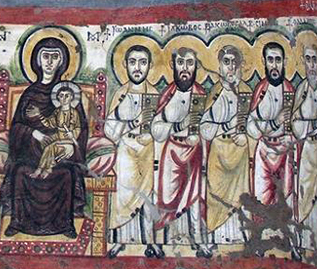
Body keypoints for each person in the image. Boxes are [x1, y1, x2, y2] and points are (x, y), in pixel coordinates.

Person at [0, 37, 88, 238]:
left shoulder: (68, 93)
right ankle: (18, 222)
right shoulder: (30, 93)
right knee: (20, 172)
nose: (49, 62)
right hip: (31, 153)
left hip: (60, 155)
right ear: (37, 60)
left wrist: (72, 146)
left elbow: (81, 127)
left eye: (54, 57)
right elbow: (16, 127)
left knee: (67, 175)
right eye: (45, 56)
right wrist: (34, 133)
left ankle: (65, 225)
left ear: (61, 61)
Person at [152, 47, 211, 257]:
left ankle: (198, 241)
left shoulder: (202, 95)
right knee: (166, 198)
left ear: (196, 67)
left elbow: (209, 127)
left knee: (194, 198)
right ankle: (163, 242)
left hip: (194, 153)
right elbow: (156, 129)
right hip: (171, 154)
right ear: (173, 65)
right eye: (181, 63)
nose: (185, 69)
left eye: (190, 63)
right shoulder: (168, 95)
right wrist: (178, 126)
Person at [105, 45, 161, 258]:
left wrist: (152, 135)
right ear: (125, 65)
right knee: (123, 196)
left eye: (143, 62)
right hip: (126, 152)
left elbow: (161, 126)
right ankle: (120, 240)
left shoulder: (155, 94)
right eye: (133, 62)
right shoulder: (121, 94)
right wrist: (127, 122)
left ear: (150, 66)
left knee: (148, 197)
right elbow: (109, 130)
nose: (137, 68)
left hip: (147, 152)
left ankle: (150, 241)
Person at [200, 45, 251, 249]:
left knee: (240, 197)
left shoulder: (245, 92)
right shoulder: (215, 93)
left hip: (239, 156)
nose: (231, 67)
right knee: (216, 198)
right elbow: (204, 129)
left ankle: (241, 240)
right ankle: (216, 239)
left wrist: (246, 136)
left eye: (234, 63)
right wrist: (225, 126)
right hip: (219, 155)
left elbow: (255, 125)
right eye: (226, 62)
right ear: (219, 66)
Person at [248, 42, 295, 209]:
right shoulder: (261, 91)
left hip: (284, 151)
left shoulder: (290, 90)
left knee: (286, 197)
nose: (274, 65)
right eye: (270, 60)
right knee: (262, 199)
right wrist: (274, 123)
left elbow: (296, 125)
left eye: (278, 60)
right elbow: (251, 127)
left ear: (284, 62)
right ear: (264, 62)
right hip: (264, 152)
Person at [291, 45, 317, 254]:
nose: (312, 65)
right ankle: (300, 242)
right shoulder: (302, 90)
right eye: (308, 59)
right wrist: (312, 126)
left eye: (314, 59)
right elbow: (294, 123)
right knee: (303, 196)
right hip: (305, 152)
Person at [30, 81, 83, 179]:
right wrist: (39, 115)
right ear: (58, 97)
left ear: (72, 97)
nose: (64, 98)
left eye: (67, 96)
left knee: (50, 147)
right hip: (58, 137)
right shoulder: (57, 111)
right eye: (61, 96)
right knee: (45, 144)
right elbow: (50, 123)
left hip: (68, 140)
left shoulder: (74, 113)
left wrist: (73, 134)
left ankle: (44, 169)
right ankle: (43, 168)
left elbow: (78, 127)